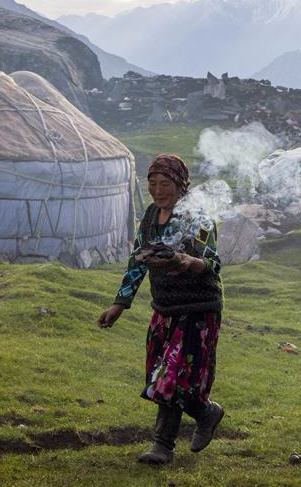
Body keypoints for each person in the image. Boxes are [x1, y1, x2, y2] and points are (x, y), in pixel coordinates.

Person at [97, 154, 224, 465]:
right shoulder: (152, 216)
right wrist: (119, 304)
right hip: (164, 309)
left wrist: (186, 262)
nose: (157, 190)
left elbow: (213, 263)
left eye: (164, 183)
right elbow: (138, 260)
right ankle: (206, 412)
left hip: (198, 309)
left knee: (171, 377)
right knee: (161, 376)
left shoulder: (199, 217)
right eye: (151, 183)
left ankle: (162, 446)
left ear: (180, 185)